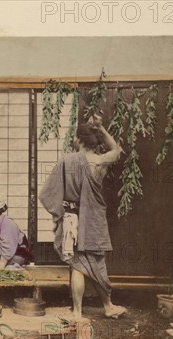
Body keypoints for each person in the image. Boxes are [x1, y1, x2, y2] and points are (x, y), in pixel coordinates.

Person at [39, 115, 127, 320]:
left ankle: (77, 312)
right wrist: (101, 127)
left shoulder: (66, 161)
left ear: (78, 140)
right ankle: (108, 306)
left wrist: (59, 214)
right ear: (95, 142)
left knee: (77, 265)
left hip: (71, 219)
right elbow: (116, 151)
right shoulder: (100, 161)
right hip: (94, 221)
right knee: (96, 261)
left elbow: (47, 195)